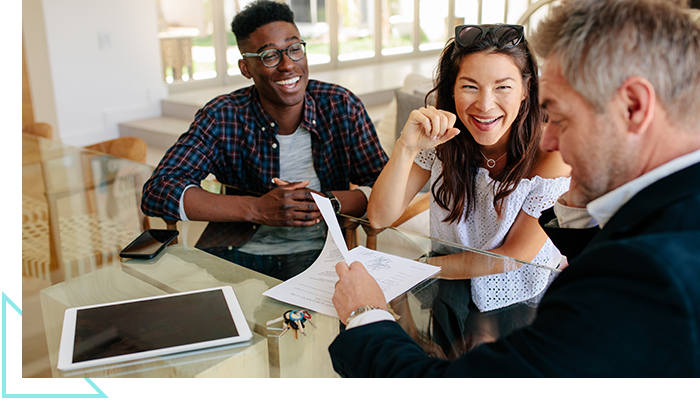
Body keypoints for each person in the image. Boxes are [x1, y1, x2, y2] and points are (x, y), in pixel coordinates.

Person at [329, 0, 700, 377]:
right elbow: (379, 216)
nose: (550, 139)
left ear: (634, 106)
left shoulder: (647, 269)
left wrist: (366, 314)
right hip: (455, 287)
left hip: (511, 294)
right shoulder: (658, 221)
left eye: (561, 117)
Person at [141, 0, 388, 280]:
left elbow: (384, 188)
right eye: (269, 55)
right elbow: (158, 191)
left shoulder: (340, 105)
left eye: (295, 49)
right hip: (234, 253)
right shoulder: (224, 116)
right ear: (246, 67)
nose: (287, 65)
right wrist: (257, 209)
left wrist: (327, 203)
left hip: (322, 256)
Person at [367, 22, 570, 356]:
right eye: (470, 87)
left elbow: (513, 258)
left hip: (521, 299)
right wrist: (406, 146)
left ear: (525, 88)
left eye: (503, 87)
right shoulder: (443, 142)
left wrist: (416, 269)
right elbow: (377, 218)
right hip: (453, 286)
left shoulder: (550, 152)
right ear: (451, 89)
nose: (485, 105)